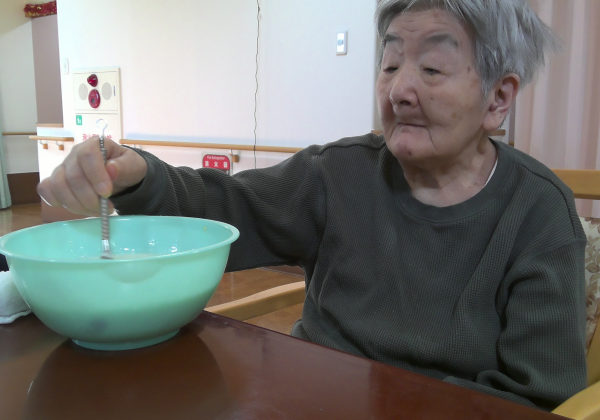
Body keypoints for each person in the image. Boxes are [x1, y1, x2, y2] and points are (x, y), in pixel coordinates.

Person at [38, 0, 587, 411]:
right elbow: (227, 208)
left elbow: (537, 397)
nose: (398, 90)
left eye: (433, 69)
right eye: (390, 64)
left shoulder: (538, 213)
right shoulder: (338, 173)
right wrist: (137, 174)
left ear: (498, 98)